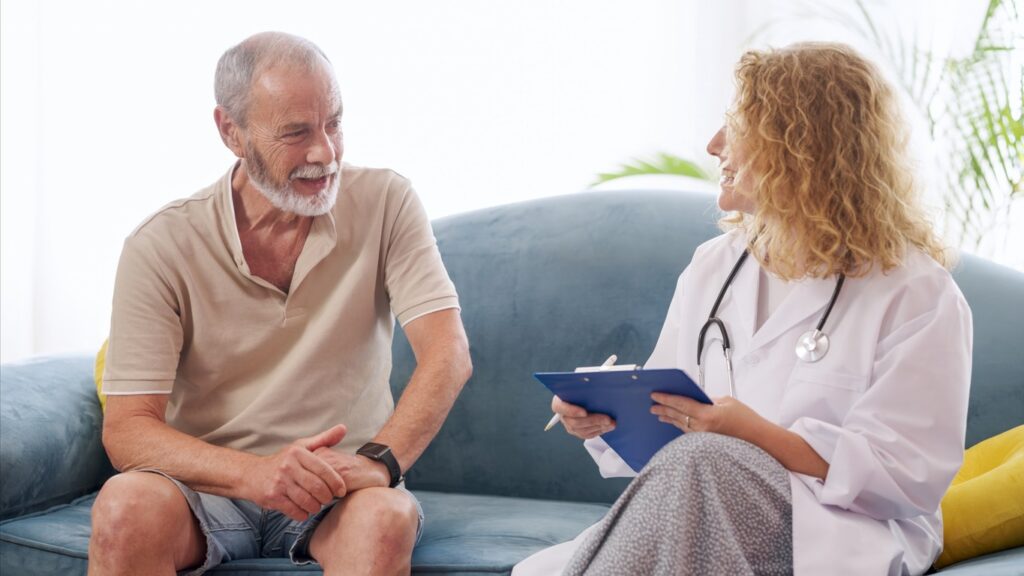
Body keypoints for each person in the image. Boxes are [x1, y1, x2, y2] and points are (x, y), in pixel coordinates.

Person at [514, 42, 972, 576]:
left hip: (837, 529)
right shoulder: (715, 265)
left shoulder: (916, 293)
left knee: (702, 462)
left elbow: (906, 475)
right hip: (697, 504)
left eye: (736, 127)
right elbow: (668, 414)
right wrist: (606, 418)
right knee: (693, 471)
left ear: (802, 146)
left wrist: (750, 435)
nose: (713, 145)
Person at [88, 32, 472, 576]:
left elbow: (448, 354)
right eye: (296, 132)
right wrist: (254, 474)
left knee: (384, 516)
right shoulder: (160, 244)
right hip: (205, 489)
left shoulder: (387, 202)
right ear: (231, 132)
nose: (325, 152)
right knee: (125, 507)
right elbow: (127, 429)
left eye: (333, 123)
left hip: (339, 487)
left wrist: (379, 463)